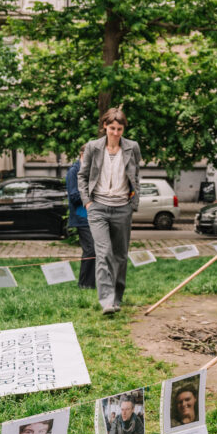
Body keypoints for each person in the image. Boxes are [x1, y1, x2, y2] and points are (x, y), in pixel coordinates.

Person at [77, 108, 142, 315]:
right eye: (112, 128)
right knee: (103, 253)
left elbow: (136, 176)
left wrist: (133, 204)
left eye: (119, 129)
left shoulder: (132, 147)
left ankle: (117, 297)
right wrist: (87, 202)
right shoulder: (93, 147)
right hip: (98, 208)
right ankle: (106, 301)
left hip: (122, 207)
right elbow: (82, 176)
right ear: (105, 126)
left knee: (120, 256)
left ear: (123, 129)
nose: (115, 133)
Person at [66, 147, 96, 289]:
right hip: (82, 217)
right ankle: (84, 284)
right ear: (83, 155)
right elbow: (74, 196)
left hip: (95, 217)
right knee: (90, 249)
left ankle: (92, 283)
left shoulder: (92, 171)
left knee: (96, 250)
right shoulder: (74, 171)